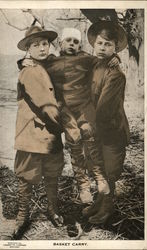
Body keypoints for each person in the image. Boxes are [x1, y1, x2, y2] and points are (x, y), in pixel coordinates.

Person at [19, 27, 122, 205]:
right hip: (65, 109)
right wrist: (22, 62)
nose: (72, 44)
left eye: (75, 42)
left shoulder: (86, 59)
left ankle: (99, 176)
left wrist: (115, 57)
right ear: (60, 43)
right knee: (74, 142)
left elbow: (102, 61)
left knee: (90, 136)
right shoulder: (51, 61)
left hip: (84, 106)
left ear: (80, 44)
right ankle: (83, 184)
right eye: (68, 41)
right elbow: (35, 64)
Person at [13, 26, 64, 239]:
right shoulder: (31, 71)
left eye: (45, 44)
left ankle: (53, 210)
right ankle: (22, 216)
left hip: (50, 133)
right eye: (36, 45)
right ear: (28, 50)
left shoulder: (49, 65)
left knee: (52, 174)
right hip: (32, 133)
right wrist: (68, 128)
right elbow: (46, 105)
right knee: (27, 176)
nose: (42, 48)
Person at [82, 20, 130, 225]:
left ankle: (107, 207)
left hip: (111, 129)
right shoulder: (90, 66)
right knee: (95, 165)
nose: (102, 48)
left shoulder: (116, 74)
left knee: (109, 170)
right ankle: (100, 201)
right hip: (92, 127)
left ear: (115, 48)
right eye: (100, 43)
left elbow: (104, 108)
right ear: (94, 43)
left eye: (108, 44)